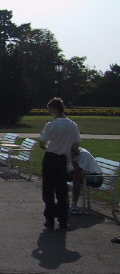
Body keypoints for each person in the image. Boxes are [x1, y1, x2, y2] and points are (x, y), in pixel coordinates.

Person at [38, 97, 81, 230]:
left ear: (55, 108)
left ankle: (50, 219)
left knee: (48, 189)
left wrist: (49, 148)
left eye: (50, 109)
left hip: (51, 158)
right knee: (61, 190)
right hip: (63, 159)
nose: (49, 111)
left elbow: (42, 143)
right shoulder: (73, 125)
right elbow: (75, 146)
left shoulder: (51, 124)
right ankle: (63, 219)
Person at [67, 147, 103, 215]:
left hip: (96, 177)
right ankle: (63, 202)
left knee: (76, 177)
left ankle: (74, 205)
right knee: (61, 174)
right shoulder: (68, 152)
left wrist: (73, 158)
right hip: (85, 174)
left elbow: (77, 171)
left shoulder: (83, 154)